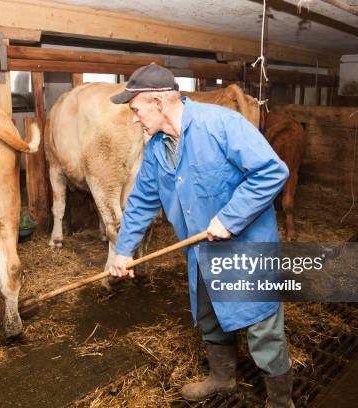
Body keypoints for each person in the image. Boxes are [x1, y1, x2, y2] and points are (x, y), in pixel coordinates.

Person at [108, 63, 294, 407]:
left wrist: (230, 217)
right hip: (202, 253)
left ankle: (280, 401)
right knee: (211, 317)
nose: (134, 118)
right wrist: (123, 250)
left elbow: (271, 172)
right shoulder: (156, 149)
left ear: (157, 103)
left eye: (135, 109)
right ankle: (223, 378)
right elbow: (140, 202)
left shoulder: (221, 124)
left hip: (246, 249)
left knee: (262, 330)